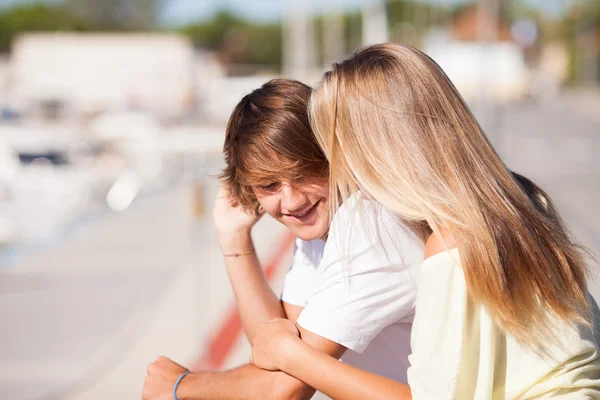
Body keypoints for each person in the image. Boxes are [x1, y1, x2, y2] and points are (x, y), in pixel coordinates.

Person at [249, 43, 600, 399]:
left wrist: (292, 355)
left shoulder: (450, 244)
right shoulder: (521, 196)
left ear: (378, 149)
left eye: (340, 149)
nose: (343, 172)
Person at [142, 79, 425, 400]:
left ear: (334, 155)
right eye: (269, 185)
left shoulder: (372, 224)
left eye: (303, 172)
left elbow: (285, 389)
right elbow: (273, 349)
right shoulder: (320, 230)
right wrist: (235, 239)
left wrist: (180, 386)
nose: (291, 201)